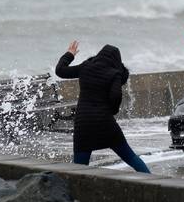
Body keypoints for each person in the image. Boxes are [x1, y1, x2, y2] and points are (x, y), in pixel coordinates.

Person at [55, 41, 150, 173]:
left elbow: (60, 71)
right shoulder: (114, 73)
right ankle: (151, 179)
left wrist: (70, 54)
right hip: (105, 122)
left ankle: (76, 190)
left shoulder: (85, 67)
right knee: (130, 156)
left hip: (83, 123)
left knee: (79, 167)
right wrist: (112, 111)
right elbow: (116, 95)